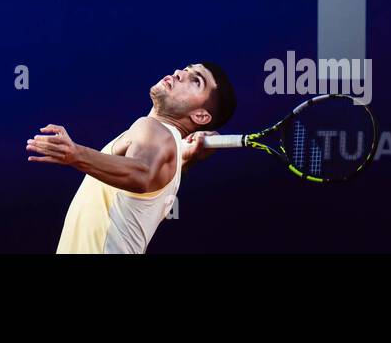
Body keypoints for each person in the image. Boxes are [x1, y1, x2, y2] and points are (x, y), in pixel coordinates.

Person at [27, 62, 236, 255]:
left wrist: (76, 154)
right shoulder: (168, 148)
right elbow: (151, 172)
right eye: (186, 70)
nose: (179, 74)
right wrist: (187, 158)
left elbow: (142, 174)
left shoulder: (155, 129)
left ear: (200, 116)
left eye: (196, 81)